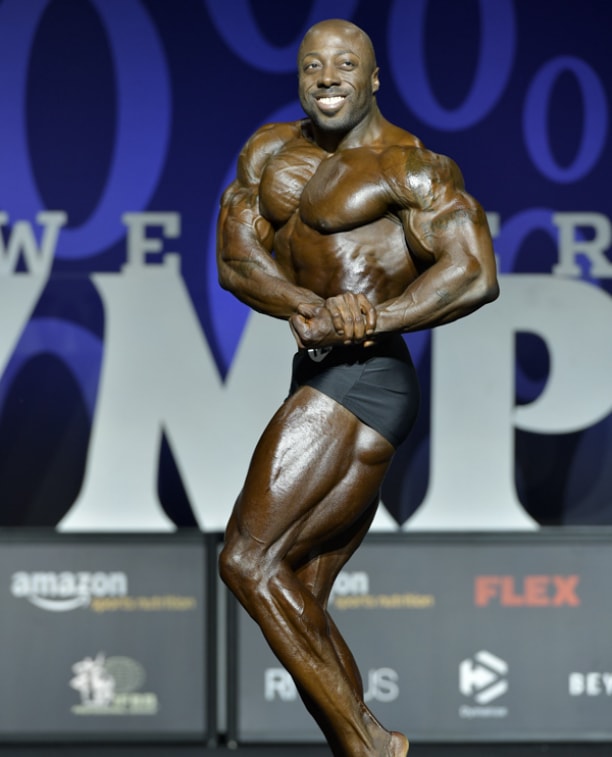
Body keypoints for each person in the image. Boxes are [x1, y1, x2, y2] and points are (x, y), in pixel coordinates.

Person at [216, 18, 499, 756]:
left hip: (368, 375)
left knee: (248, 559)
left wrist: (372, 316)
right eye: (314, 64)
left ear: (373, 78)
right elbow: (237, 261)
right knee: (298, 592)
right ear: (300, 76)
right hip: (320, 370)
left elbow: (474, 270)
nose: (328, 75)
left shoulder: (407, 164)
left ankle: (371, 743)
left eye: (346, 64)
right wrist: (307, 305)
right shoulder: (268, 151)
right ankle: (366, 747)